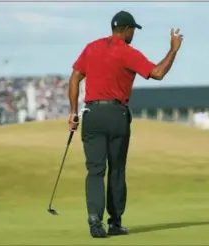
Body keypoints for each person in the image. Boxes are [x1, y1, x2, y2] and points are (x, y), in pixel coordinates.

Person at [68, 10, 183, 238]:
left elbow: (74, 77)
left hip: (91, 113)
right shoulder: (128, 53)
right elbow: (158, 73)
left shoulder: (92, 47)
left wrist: (73, 112)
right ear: (127, 30)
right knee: (117, 170)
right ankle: (114, 223)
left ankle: (94, 220)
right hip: (116, 115)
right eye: (133, 30)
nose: (134, 34)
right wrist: (173, 49)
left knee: (95, 171)